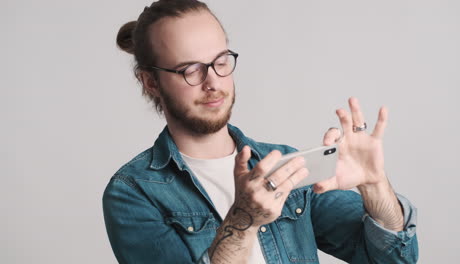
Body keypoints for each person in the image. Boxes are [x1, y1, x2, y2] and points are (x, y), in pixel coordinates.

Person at [102, 1, 418, 263]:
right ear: (151, 82)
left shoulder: (283, 166)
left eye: (220, 61)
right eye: (189, 69)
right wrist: (242, 222)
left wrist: (375, 186)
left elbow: (393, 259)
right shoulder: (132, 192)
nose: (212, 82)